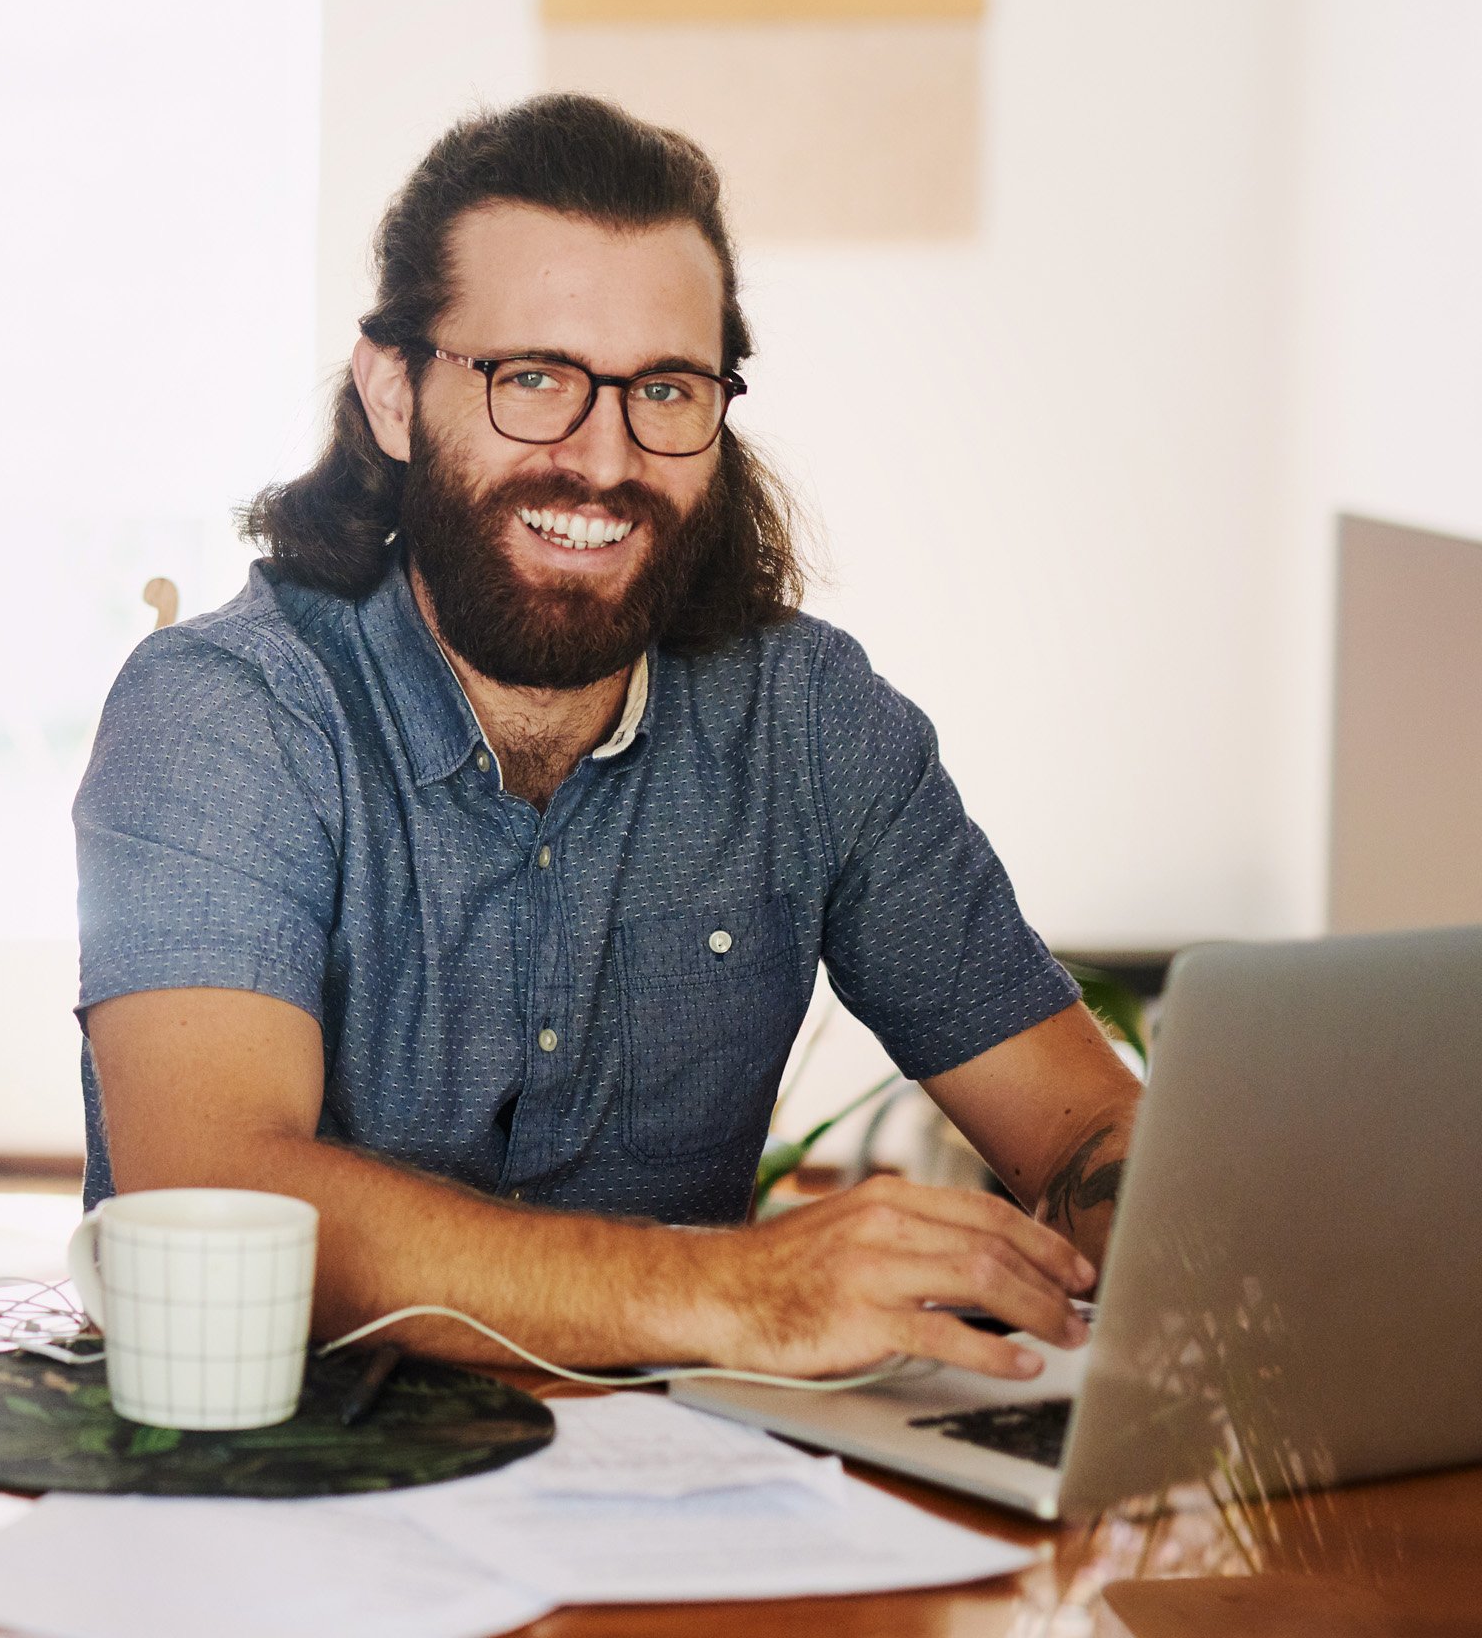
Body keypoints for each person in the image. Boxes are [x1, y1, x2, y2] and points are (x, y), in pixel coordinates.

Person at [74, 94, 1139, 1382]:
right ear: (394, 395)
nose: (604, 457)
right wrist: (744, 1292)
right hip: (285, 1505)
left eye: (667, 390)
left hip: (683, 1508)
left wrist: (1177, 1261)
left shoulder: (814, 723)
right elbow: (216, 1201)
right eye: (533, 380)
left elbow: (1084, 1128)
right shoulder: (223, 713)